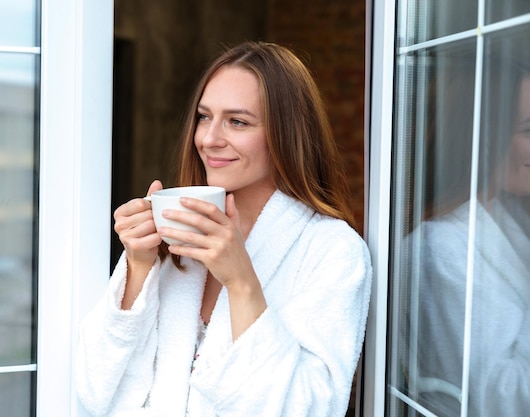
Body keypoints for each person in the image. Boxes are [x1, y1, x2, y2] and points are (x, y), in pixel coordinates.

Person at [75, 41, 372, 417]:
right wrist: (138, 264)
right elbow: (95, 389)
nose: (208, 138)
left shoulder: (333, 251)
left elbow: (310, 407)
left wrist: (241, 281)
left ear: (286, 133)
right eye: (204, 116)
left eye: (238, 121)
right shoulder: (177, 233)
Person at [409, 55, 530, 416]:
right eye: (529, 130)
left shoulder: (507, 218)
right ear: (486, 137)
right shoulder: (438, 249)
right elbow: (504, 398)